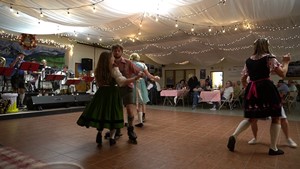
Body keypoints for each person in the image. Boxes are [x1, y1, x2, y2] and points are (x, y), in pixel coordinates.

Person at [227, 38, 291, 156]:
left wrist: (248, 86)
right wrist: (286, 62)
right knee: (276, 116)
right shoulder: (269, 58)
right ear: (266, 45)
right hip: (266, 88)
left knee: (251, 118)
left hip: (252, 88)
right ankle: (273, 148)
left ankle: (234, 136)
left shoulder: (248, 61)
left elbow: (243, 79)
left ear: (255, 46)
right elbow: (282, 73)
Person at [77, 51, 143, 146]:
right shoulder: (113, 68)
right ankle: (112, 138)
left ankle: (99, 134)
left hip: (101, 94)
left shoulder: (98, 70)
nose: (113, 58)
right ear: (109, 59)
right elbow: (122, 81)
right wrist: (135, 78)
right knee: (114, 114)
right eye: (112, 57)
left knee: (102, 114)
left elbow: (99, 83)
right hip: (112, 93)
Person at [111, 44, 145, 144]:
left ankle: (131, 130)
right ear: (112, 51)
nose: (116, 52)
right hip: (114, 90)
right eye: (115, 51)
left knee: (130, 110)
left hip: (127, 89)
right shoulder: (110, 62)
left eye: (118, 51)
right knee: (117, 111)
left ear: (121, 52)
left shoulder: (128, 62)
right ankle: (117, 129)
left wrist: (140, 74)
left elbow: (138, 71)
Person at [129, 53, 160, 127]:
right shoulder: (142, 65)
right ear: (138, 58)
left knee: (129, 103)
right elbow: (148, 75)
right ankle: (140, 121)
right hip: (141, 84)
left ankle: (128, 121)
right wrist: (155, 77)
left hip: (132, 82)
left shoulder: (129, 63)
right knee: (140, 102)